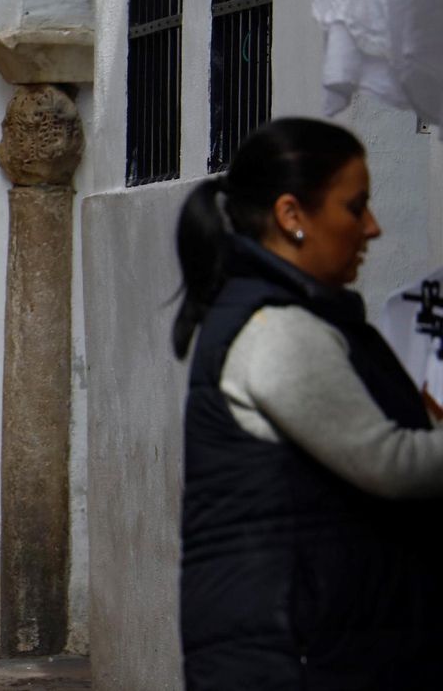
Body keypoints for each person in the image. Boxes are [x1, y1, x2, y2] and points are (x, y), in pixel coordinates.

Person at [172, 117, 443, 688]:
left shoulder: (290, 315)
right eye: (355, 207)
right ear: (292, 215)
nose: (372, 228)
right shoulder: (279, 332)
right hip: (289, 657)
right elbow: (392, 464)